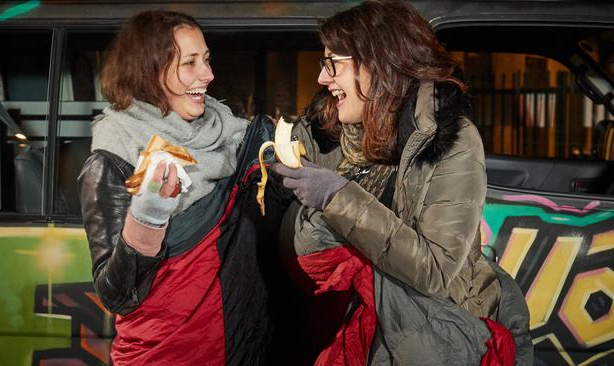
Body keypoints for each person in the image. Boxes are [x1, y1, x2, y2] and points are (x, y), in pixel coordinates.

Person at [272, 1, 533, 364]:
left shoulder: (449, 140)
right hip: (341, 323)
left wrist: (338, 196)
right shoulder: (327, 133)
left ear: (378, 65)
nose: (322, 79)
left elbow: (434, 271)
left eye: (334, 64)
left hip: (427, 327)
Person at [78, 10, 292, 365]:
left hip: (242, 341)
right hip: (168, 351)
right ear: (151, 71)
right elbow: (116, 295)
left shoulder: (231, 135)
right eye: (190, 63)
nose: (208, 75)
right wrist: (147, 220)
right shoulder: (113, 158)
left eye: (206, 60)